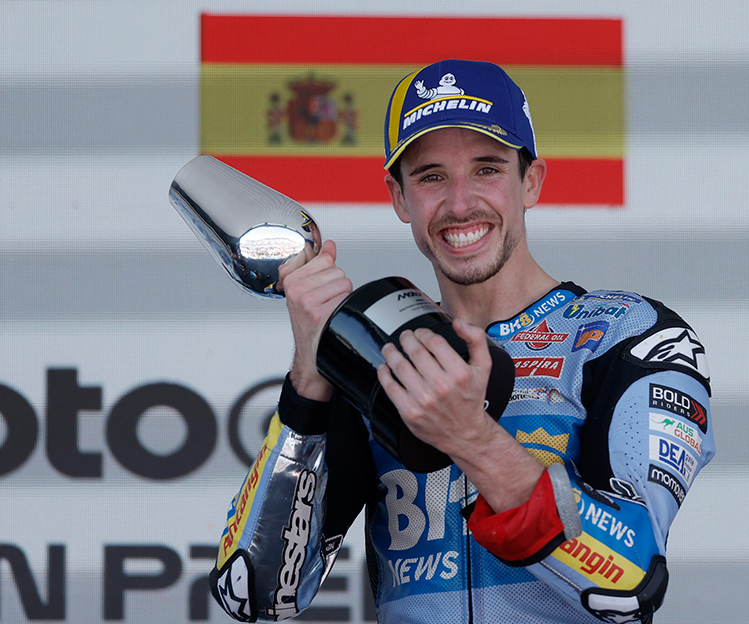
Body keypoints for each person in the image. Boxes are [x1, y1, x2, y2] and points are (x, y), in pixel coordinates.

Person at [209, 59, 715, 624]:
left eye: (486, 169)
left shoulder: (627, 336)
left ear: (530, 181)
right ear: (399, 197)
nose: (458, 203)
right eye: (431, 177)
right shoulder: (383, 360)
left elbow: (633, 579)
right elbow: (253, 593)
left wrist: (470, 439)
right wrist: (309, 378)